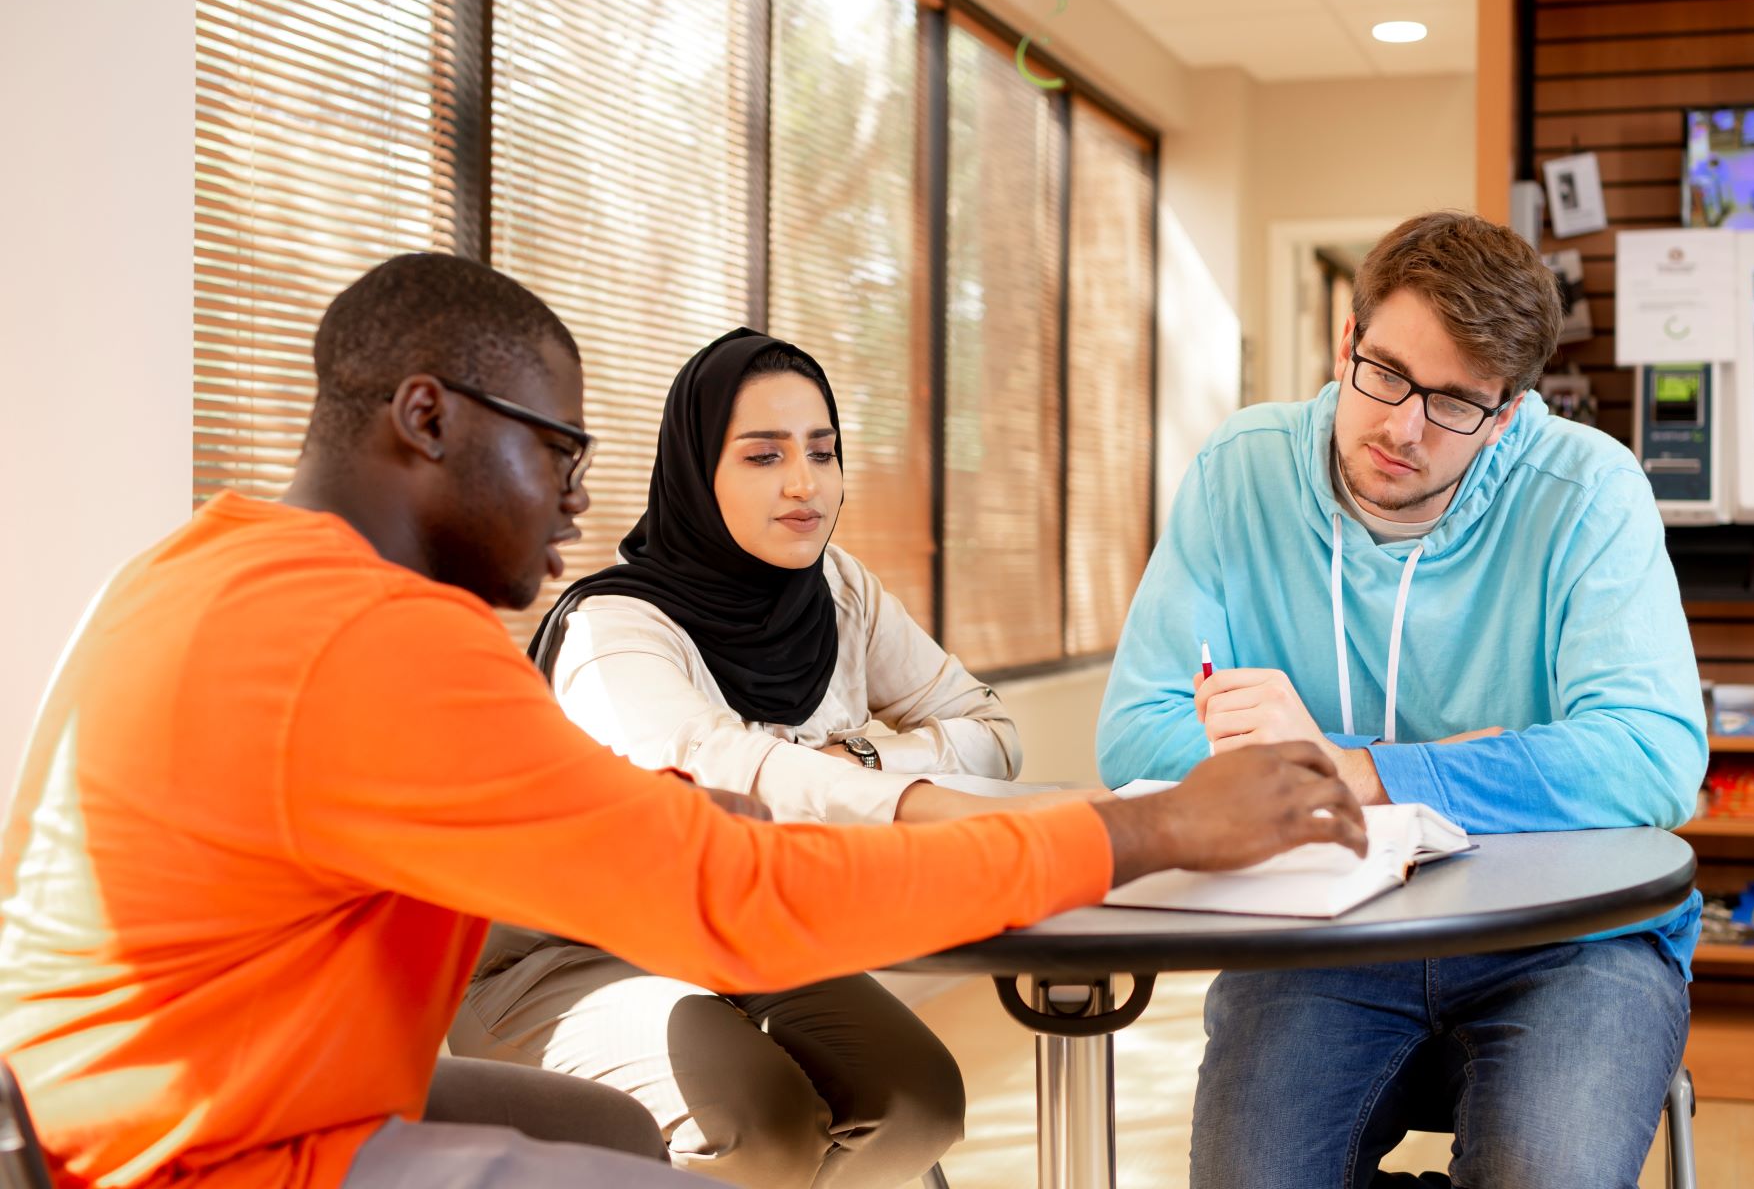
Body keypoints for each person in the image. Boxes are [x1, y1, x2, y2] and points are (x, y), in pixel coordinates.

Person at [0, 253, 1368, 1189]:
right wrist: (1149, 826)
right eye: (556, 449)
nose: (573, 499)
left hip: (118, 1103)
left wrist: (776, 797)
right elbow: (731, 896)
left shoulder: (212, 560)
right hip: (196, 1148)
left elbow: (842, 773)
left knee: (622, 1130)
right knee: (735, 1122)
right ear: (424, 417)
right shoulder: (395, 633)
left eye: (820, 451)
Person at [1096, 211, 1708, 1189]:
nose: (1401, 426)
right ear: (1347, 339)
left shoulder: (1589, 491)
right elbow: (1139, 727)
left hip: (1569, 939)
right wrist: (1393, 763)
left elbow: (1650, 755)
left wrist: (1360, 769)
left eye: (1456, 401)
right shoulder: (1240, 470)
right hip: (1321, 927)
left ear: (1507, 411)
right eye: (1383, 372)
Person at [452, 330, 1049, 1187]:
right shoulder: (610, 628)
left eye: (822, 451)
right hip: (567, 957)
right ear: (700, 471)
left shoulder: (839, 592)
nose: (804, 483)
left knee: (918, 1100)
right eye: (764, 456)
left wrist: (852, 756)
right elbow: (710, 774)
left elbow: (991, 733)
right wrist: (894, 788)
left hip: (743, 937)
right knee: (759, 1122)